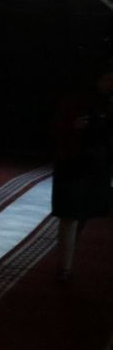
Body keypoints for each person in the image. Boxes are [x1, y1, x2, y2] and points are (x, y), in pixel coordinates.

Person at [53, 62, 113, 281]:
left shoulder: (106, 102)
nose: (109, 84)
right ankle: (64, 267)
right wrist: (74, 127)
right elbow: (58, 128)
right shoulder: (76, 100)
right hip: (74, 162)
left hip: (95, 164)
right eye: (107, 80)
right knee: (71, 215)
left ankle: (65, 262)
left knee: (82, 213)